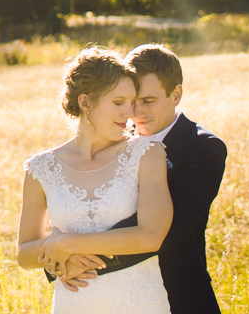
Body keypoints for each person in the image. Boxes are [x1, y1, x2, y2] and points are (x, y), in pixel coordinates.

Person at [55, 44, 229, 314]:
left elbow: (167, 230)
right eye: (129, 101)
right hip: (109, 295)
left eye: (148, 101)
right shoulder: (110, 141)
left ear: (176, 94)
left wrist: (75, 258)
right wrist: (56, 256)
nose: (136, 113)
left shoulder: (203, 148)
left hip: (179, 295)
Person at [17, 46, 173, 311]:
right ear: (86, 102)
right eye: (118, 102)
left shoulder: (146, 153)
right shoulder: (41, 168)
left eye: (132, 102)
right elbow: (24, 254)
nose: (130, 112)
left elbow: (151, 236)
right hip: (75, 303)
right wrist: (60, 261)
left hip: (139, 302)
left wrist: (67, 244)